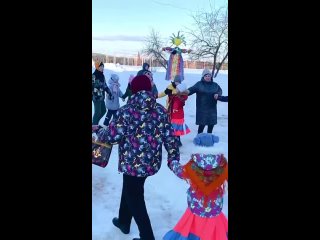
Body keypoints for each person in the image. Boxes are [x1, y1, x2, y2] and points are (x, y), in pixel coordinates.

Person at [94, 74, 181, 240]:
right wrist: (173, 158)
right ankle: (124, 221)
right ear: (149, 89)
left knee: (134, 196)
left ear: (133, 90)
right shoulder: (160, 111)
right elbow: (170, 138)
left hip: (131, 164)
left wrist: (98, 129)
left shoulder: (126, 111)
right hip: (150, 163)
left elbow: (112, 137)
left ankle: (147, 236)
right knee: (130, 188)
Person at [163, 146, 228, 240]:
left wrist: (172, 161)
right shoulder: (223, 168)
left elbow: (178, 170)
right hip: (215, 210)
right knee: (215, 231)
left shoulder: (191, 169)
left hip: (196, 208)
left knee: (194, 228)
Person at [182, 69, 222, 134]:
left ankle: (209, 136)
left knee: (211, 124)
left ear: (211, 76)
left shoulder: (215, 85)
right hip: (202, 108)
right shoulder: (199, 84)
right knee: (202, 124)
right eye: (206, 76)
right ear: (203, 77)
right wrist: (186, 91)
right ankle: (199, 136)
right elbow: (191, 90)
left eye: (209, 76)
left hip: (212, 107)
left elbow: (219, 90)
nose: (208, 77)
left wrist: (218, 94)